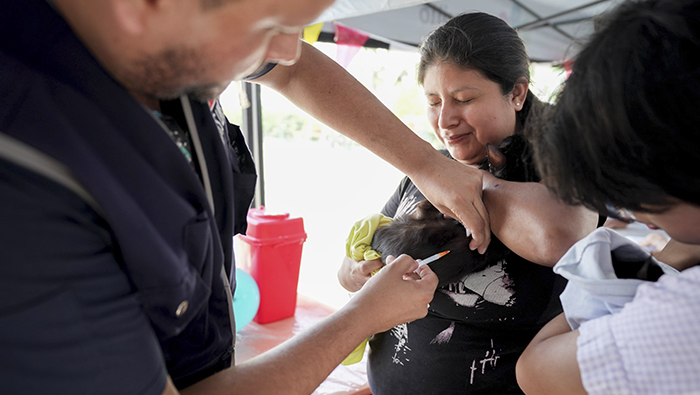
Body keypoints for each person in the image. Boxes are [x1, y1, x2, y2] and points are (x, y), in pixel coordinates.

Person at [0, 0, 524, 393]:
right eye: (270, 23)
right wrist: (363, 316)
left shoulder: (173, 40)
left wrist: (425, 163)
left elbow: (294, 69)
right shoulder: (29, 196)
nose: (287, 51)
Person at [337, 12, 598, 394]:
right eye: (433, 101)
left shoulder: (560, 171)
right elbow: (352, 269)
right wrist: (358, 273)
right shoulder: (424, 170)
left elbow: (559, 236)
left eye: (464, 99)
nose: (445, 119)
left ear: (517, 93)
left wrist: (473, 181)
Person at [514, 0, 700, 393]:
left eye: (464, 98)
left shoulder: (684, 314)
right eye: (433, 101)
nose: (645, 219)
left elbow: (535, 372)